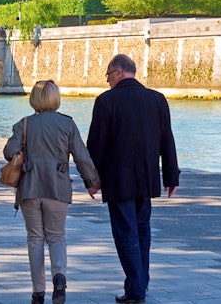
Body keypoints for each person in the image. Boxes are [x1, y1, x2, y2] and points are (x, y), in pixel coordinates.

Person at [87, 54, 180, 304]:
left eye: (107, 75)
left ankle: (137, 290)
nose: (107, 81)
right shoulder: (157, 99)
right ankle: (137, 286)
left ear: (117, 72)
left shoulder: (106, 101)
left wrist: (91, 179)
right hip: (147, 179)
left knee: (125, 235)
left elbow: (96, 145)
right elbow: (167, 140)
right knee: (142, 233)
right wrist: (171, 176)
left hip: (118, 180)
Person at [4, 80, 99, 304]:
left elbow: (9, 151)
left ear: (34, 100)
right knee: (57, 237)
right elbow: (82, 156)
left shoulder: (24, 123)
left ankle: (38, 292)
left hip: (30, 188)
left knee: (35, 239)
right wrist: (92, 181)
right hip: (57, 188)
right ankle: (59, 278)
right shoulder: (67, 124)